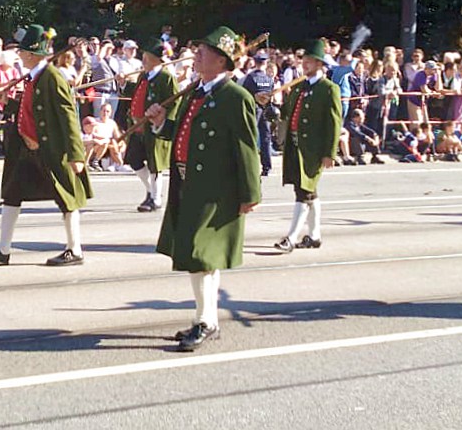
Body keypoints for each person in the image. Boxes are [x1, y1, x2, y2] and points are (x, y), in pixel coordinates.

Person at [144, 26, 260, 352]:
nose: (197, 54)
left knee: (200, 254)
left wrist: (250, 195)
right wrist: (160, 122)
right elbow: (180, 134)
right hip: (189, 185)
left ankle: (206, 322)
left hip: (216, 189)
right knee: (199, 256)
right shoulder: (196, 91)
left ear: (221, 61)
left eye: (204, 51)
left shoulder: (235, 97)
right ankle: (205, 318)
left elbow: (247, 148)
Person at [0, 25, 92, 267]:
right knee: (12, 194)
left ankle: (75, 249)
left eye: (22, 53)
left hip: (51, 148)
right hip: (27, 148)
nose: (19, 57)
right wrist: (7, 103)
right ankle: (2, 249)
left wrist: (76, 153)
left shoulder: (52, 77)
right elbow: (28, 109)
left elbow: (67, 116)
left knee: (66, 197)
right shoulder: (34, 77)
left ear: (30, 54)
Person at [273, 40, 341, 253]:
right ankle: (314, 235)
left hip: (313, 149)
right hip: (296, 147)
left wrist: (330, 152)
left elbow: (334, 122)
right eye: (304, 60)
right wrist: (271, 109)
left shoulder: (329, 89)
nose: (305, 64)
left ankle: (291, 238)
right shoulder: (298, 87)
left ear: (320, 64)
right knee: (309, 191)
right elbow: (287, 112)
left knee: (304, 192)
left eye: (310, 61)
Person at [122, 39, 178, 212]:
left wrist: (162, 121)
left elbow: (175, 101)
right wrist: (124, 83)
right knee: (134, 159)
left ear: (157, 60)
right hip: (137, 126)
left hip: (153, 128)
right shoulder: (143, 75)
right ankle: (151, 190)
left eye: (148, 57)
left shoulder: (166, 78)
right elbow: (137, 94)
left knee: (155, 164)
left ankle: (155, 198)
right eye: (144, 56)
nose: (144, 60)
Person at [241, 51, 276, 177]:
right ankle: (267, 166)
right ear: (266, 63)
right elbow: (272, 94)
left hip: (254, 109)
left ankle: (249, 164)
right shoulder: (269, 78)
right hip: (265, 109)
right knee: (266, 137)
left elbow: (244, 94)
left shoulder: (251, 77)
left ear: (255, 62)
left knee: (250, 136)